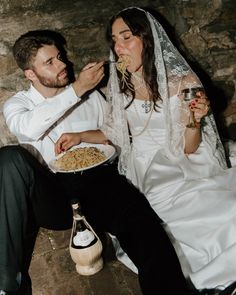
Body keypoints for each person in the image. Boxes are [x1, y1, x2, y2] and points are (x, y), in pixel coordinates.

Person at [0, 29, 198, 295]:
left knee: (141, 223)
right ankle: (6, 285)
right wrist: (78, 88)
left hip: (98, 181)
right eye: (50, 62)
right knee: (8, 159)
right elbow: (28, 127)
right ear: (30, 74)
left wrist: (88, 135)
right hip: (52, 193)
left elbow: (114, 134)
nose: (63, 65)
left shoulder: (92, 96)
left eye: (60, 57)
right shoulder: (18, 104)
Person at [55, 7, 236, 295]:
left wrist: (195, 121)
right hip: (143, 164)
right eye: (114, 40)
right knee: (153, 228)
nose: (118, 47)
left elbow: (190, 147)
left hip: (182, 156)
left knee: (222, 212)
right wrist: (79, 136)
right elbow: (113, 132)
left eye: (126, 37)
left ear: (147, 39)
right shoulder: (121, 85)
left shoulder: (183, 84)